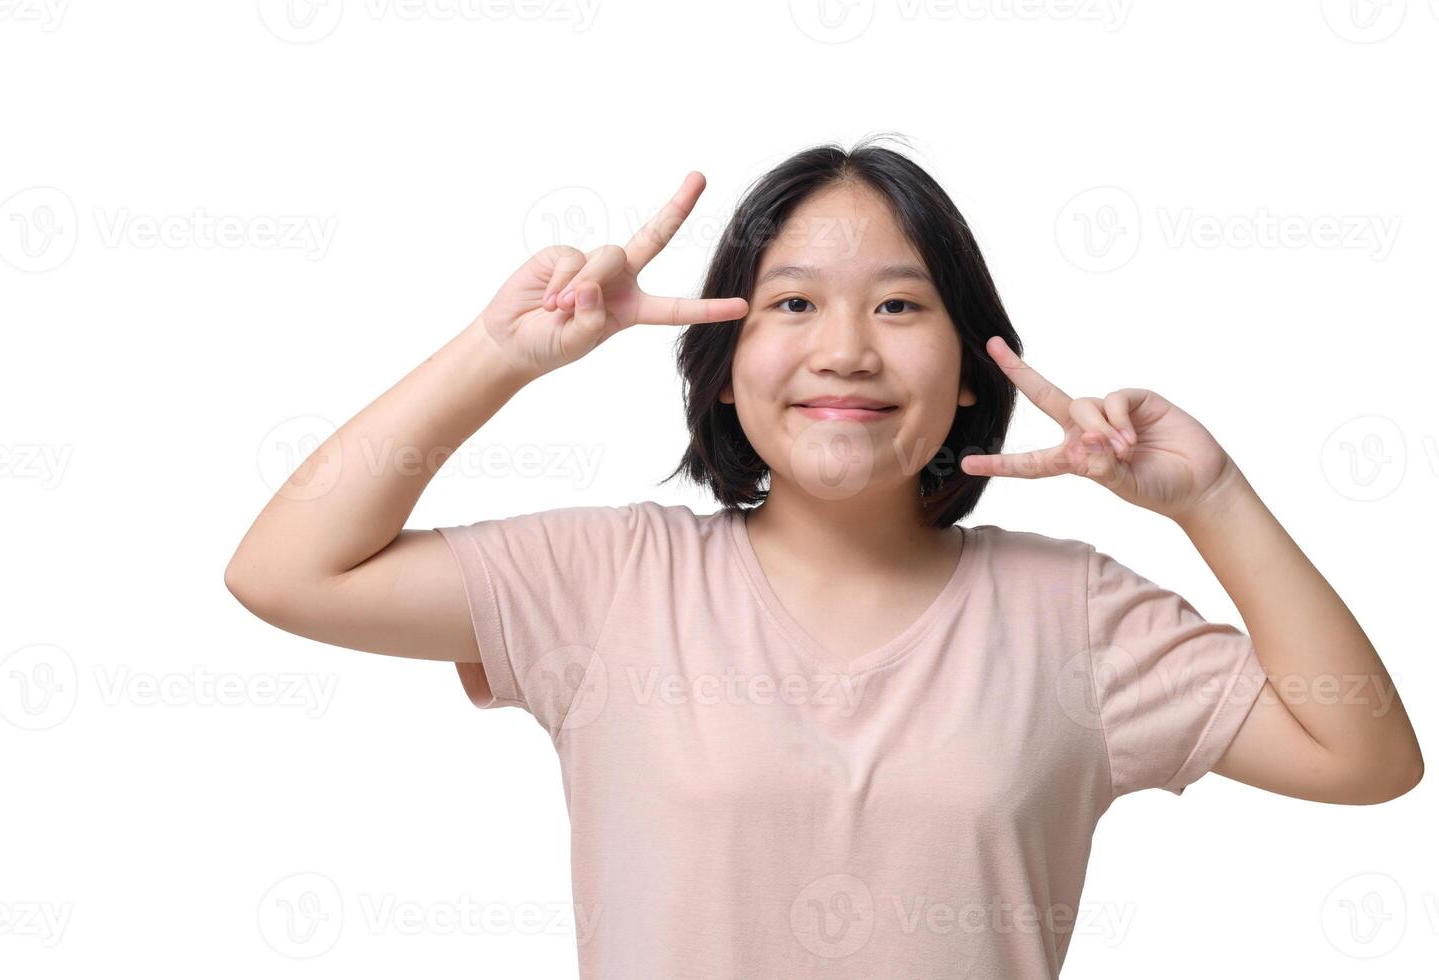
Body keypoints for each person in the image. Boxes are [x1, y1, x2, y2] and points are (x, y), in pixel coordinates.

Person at [224, 136, 1423, 978]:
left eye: (899, 307)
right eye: (792, 304)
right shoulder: (608, 582)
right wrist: (503, 352)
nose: (844, 349)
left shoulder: (1078, 616)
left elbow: (1366, 753)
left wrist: (1212, 496)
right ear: (720, 357)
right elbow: (285, 570)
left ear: (969, 368)